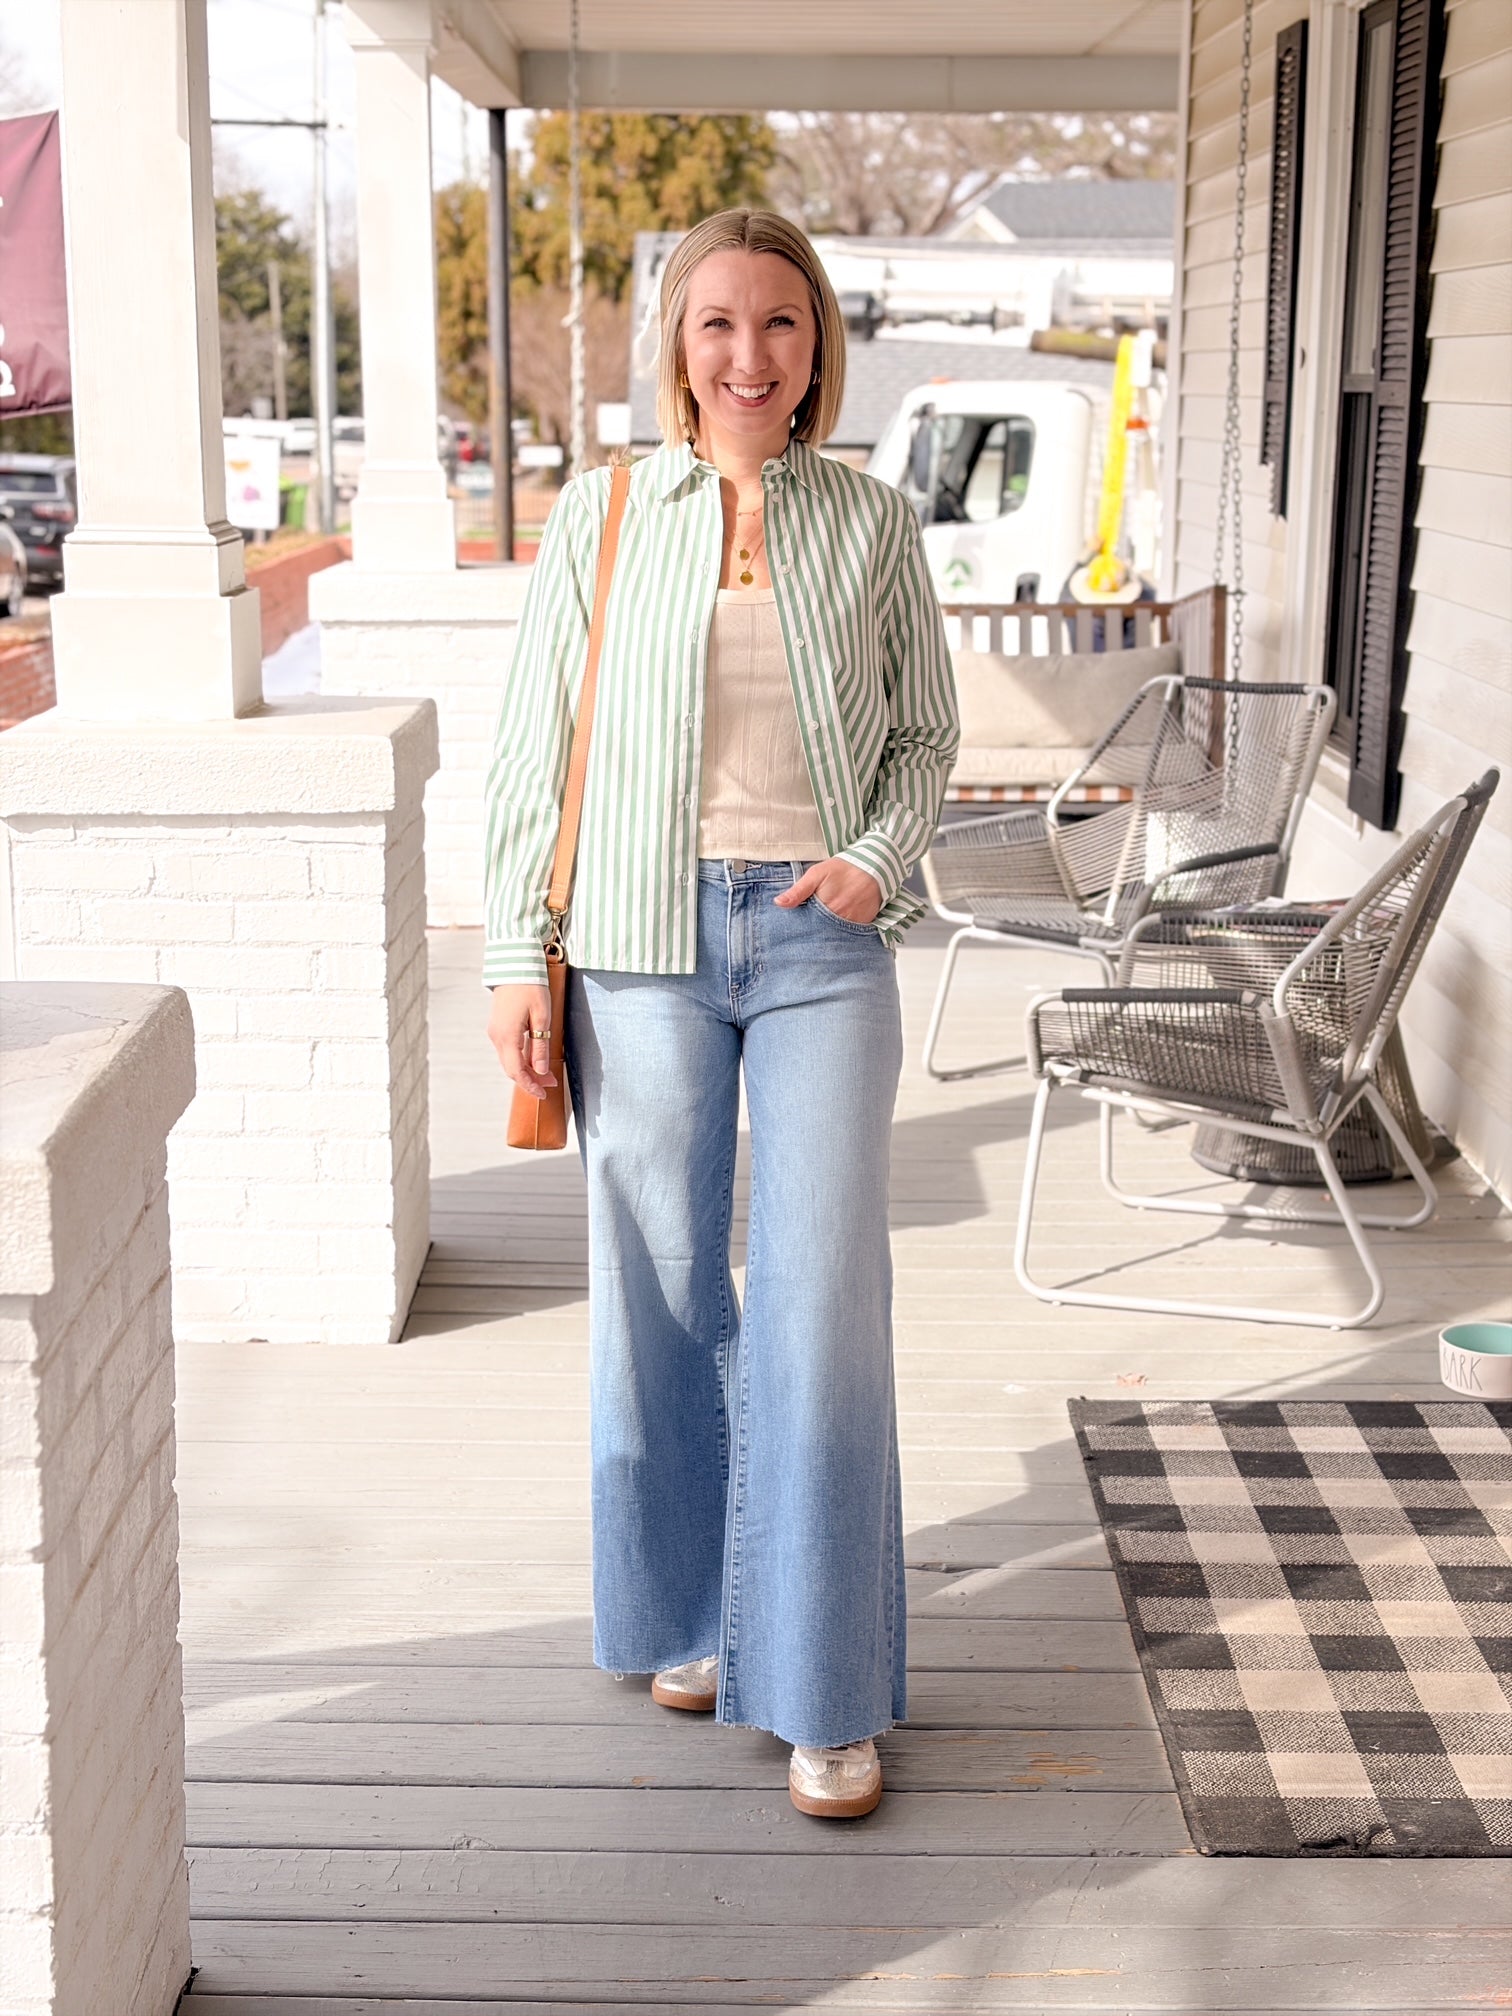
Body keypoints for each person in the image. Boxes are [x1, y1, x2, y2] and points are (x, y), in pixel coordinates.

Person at [484, 208, 958, 1820]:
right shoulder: (607, 514)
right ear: (674, 351)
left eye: (780, 324)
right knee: (665, 1293)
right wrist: (510, 957)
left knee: (822, 1300)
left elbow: (923, 745)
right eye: (716, 327)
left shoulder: (873, 522)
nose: (749, 356)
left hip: (826, 942)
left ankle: (823, 1693)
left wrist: (874, 862)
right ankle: (696, 1615)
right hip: (635, 938)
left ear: (818, 344)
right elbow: (531, 752)